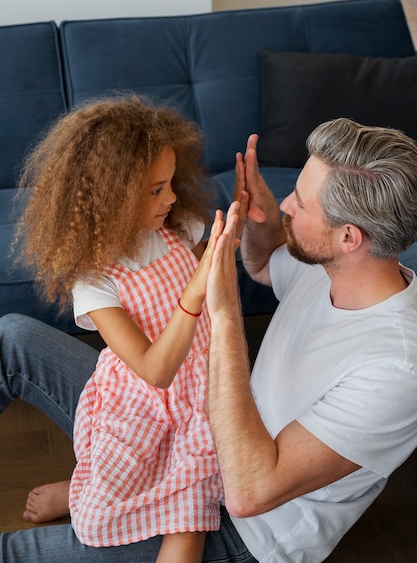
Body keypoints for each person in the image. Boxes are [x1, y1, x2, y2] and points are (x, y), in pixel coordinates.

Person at [2, 116, 417, 562]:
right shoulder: (333, 268)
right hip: (182, 413)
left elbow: (250, 491)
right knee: (12, 336)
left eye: (301, 202)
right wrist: (260, 218)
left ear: (349, 237)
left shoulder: (396, 367)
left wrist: (217, 310)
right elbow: (264, 264)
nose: (286, 205)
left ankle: (124, 492)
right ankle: (107, 482)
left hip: (243, 524)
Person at [7, 95, 225, 563]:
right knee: (115, 501)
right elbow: (153, 369)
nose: (169, 197)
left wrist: (243, 219)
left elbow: (213, 254)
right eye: (154, 190)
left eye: (170, 184)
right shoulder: (96, 278)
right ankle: (79, 491)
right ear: (110, 197)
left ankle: (75, 489)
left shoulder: (177, 226)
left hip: (200, 398)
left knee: (190, 524)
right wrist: (194, 293)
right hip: (142, 402)